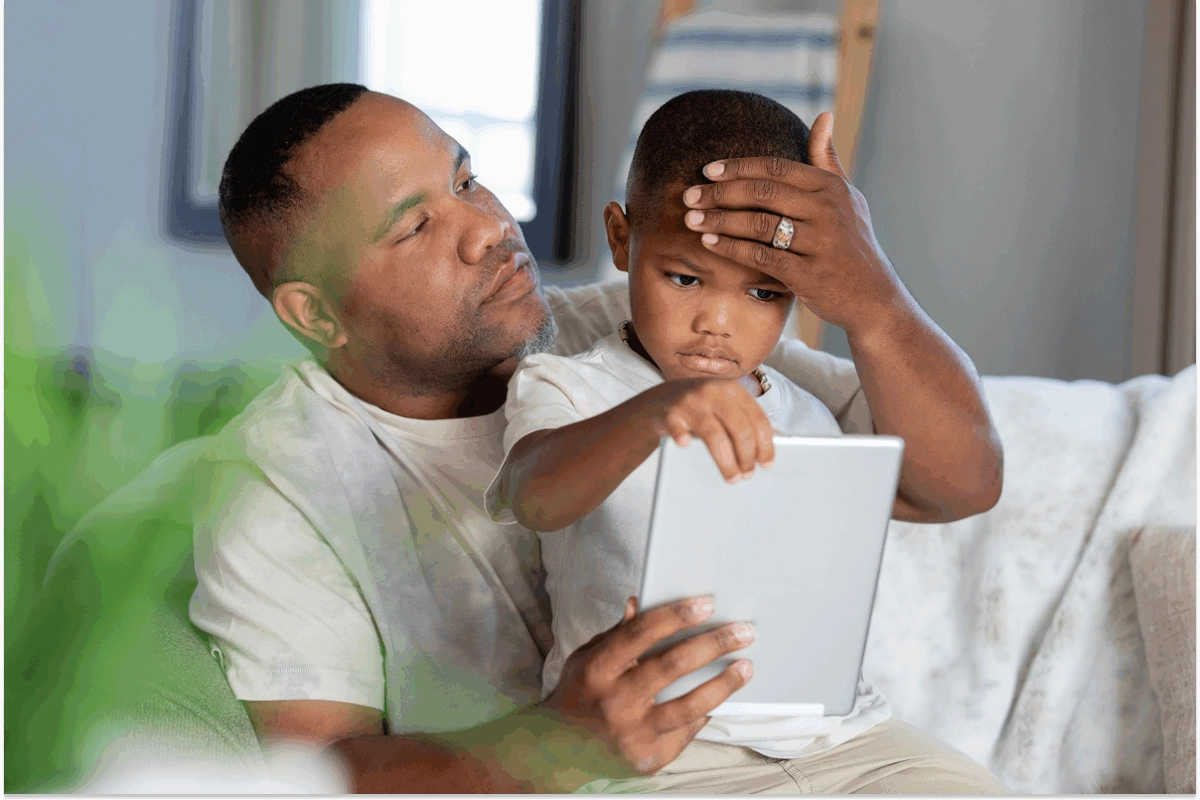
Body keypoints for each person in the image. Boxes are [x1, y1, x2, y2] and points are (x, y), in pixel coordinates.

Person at [190, 82, 1006, 792]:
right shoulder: (278, 486)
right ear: (315, 312)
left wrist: (875, 299)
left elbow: (955, 483)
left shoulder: (639, 327)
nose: (487, 228)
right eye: (414, 228)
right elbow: (311, 774)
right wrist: (555, 748)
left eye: (467, 178)